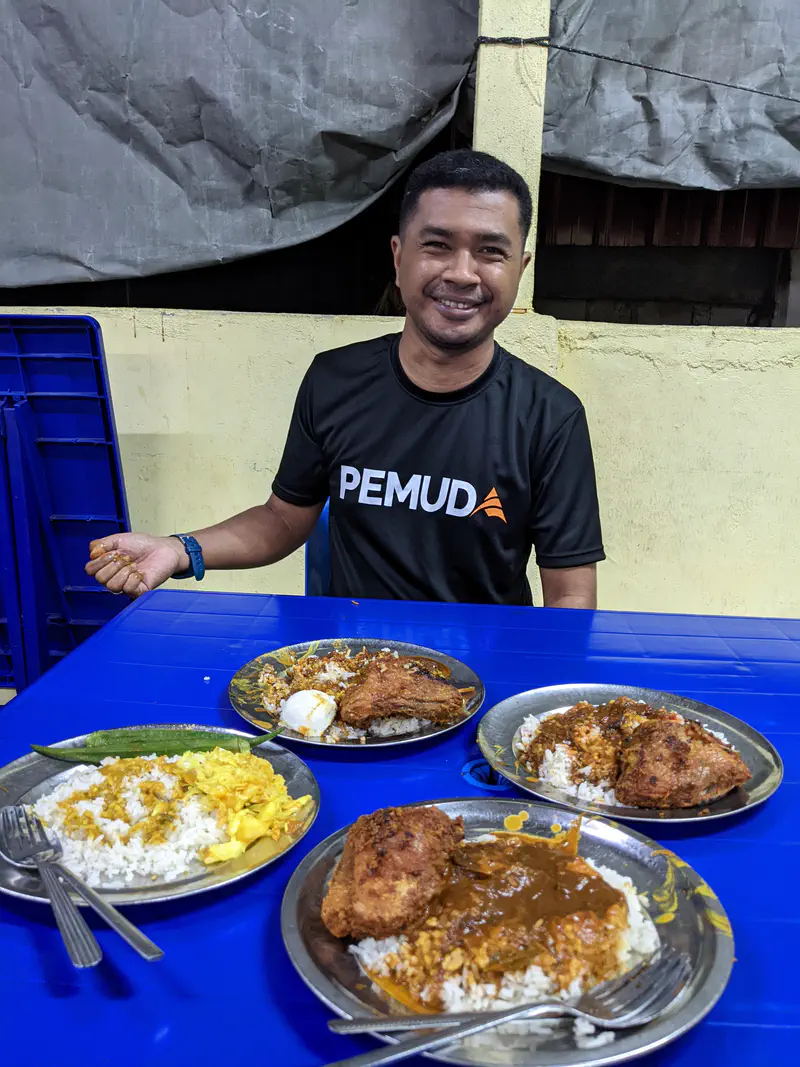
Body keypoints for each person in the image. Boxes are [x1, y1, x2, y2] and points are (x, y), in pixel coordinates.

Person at [86, 150, 604, 608]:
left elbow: (570, 592)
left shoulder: (550, 416)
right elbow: (283, 519)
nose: (463, 273)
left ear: (520, 268)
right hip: (352, 671)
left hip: (483, 675)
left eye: (491, 251)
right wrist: (180, 549)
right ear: (399, 258)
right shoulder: (334, 380)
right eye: (438, 245)